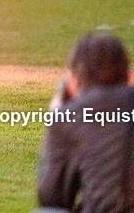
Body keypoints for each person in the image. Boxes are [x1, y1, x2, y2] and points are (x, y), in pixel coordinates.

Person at [37, 33, 134, 212]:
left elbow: (53, 198)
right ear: (128, 74)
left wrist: (56, 115)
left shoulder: (69, 118)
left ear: (74, 79)